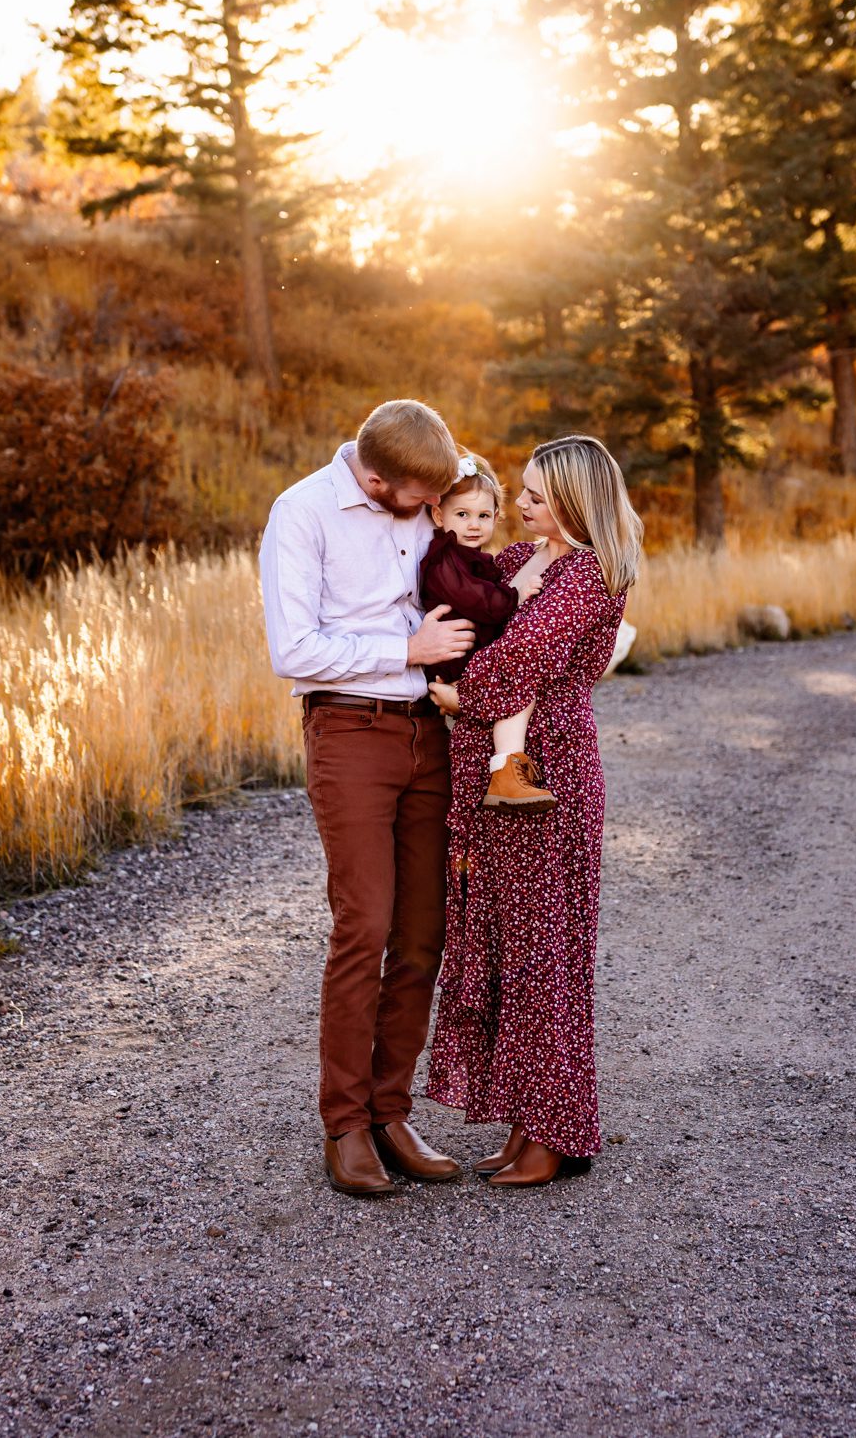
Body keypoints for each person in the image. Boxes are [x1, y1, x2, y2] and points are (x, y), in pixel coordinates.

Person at [257, 399, 476, 1198]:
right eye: (416, 497)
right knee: (366, 925)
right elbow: (295, 649)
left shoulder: (425, 489)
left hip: (435, 732)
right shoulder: (303, 512)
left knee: (425, 929)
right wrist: (407, 651)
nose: (428, 511)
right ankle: (344, 1124)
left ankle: (391, 1110)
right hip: (350, 733)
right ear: (374, 476)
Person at [425, 435, 644, 1188]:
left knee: (548, 951)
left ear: (577, 502)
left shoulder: (589, 572)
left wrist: (457, 692)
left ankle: (557, 1131)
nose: (520, 506)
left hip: (548, 772)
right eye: (520, 492)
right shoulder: (521, 560)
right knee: (511, 947)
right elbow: (466, 608)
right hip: (493, 774)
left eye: (537, 497)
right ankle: (528, 1120)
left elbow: (521, 658)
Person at [416, 455, 553, 809]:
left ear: (496, 517)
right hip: (453, 659)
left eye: (483, 516)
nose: (473, 525)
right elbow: (476, 601)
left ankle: (506, 767)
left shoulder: (476, 559)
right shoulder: (443, 558)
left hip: (469, 654)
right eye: (462, 515)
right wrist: (515, 595)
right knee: (515, 678)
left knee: (518, 679)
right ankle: (506, 770)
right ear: (438, 516)